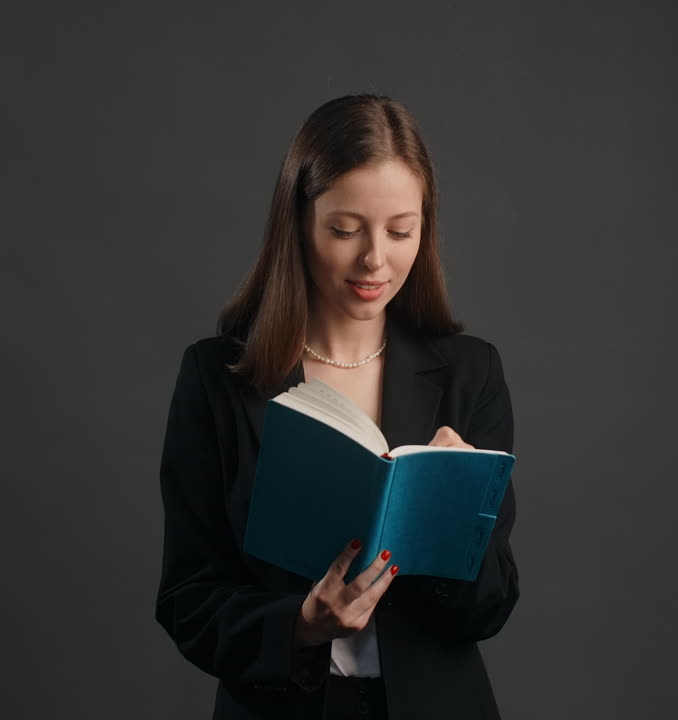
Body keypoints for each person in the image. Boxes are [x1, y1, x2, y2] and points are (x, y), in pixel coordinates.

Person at [156, 94, 519, 720]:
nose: (375, 258)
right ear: (300, 222)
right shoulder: (217, 379)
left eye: (401, 230)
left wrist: (457, 522)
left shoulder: (469, 373)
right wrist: (299, 624)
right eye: (345, 230)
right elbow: (188, 600)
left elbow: (491, 608)